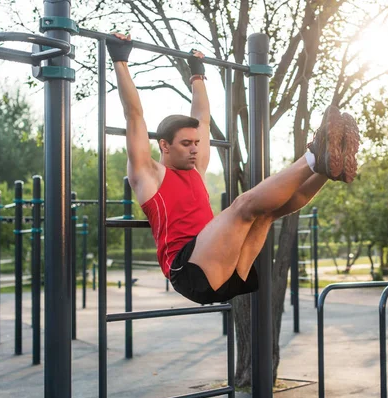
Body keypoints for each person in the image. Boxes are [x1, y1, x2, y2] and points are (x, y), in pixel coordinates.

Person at [107, 33, 360, 305]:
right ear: (164, 146)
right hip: (189, 270)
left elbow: (202, 118)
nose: (195, 149)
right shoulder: (149, 175)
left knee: (268, 212)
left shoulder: (197, 170)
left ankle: (324, 170)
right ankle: (313, 155)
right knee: (243, 206)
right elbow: (134, 115)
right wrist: (120, 59)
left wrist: (198, 74)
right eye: (186, 144)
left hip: (224, 267)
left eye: (196, 143)